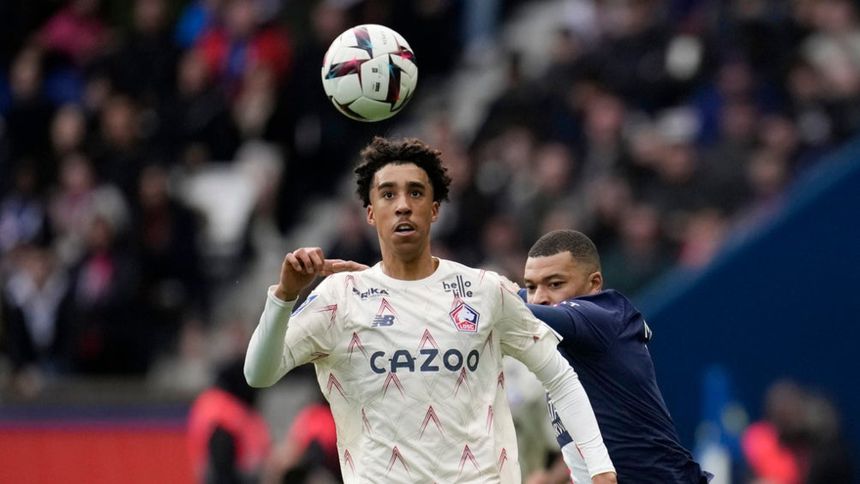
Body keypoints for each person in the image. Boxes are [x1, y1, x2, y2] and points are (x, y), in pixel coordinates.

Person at [244, 137, 616, 483]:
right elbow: (258, 374)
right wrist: (285, 296)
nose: (403, 205)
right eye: (388, 194)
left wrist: (600, 468)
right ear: (371, 213)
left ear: (434, 209)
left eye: (416, 192)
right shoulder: (340, 298)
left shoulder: (483, 290)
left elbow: (561, 376)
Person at [522, 229, 712, 483]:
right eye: (531, 287)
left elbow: (516, 309)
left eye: (555, 284)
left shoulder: (603, 315)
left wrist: (484, 293)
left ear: (594, 284)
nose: (539, 298)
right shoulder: (560, 339)